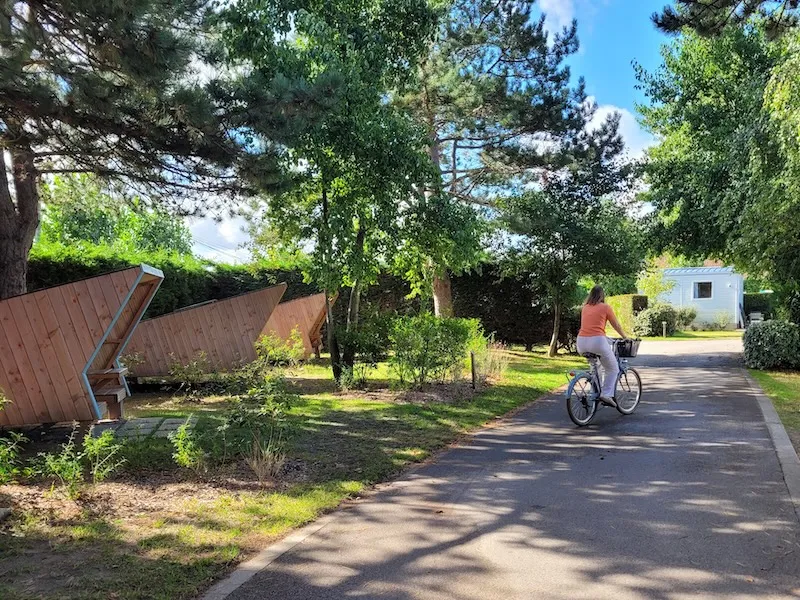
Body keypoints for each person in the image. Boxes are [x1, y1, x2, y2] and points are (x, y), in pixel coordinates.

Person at [576, 285, 628, 407]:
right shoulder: (605, 307)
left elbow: (590, 327)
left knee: (596, 367)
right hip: (597, 341)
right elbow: (616, 325)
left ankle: (595, 393)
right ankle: (606, 394)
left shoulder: (585, 308)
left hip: (581, 342)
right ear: (602, 295)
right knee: (613, 368)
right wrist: (625, 337)